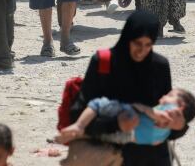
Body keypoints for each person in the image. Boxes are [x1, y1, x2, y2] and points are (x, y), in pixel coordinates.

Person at [72, 10, 187, 165]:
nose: (142, 51)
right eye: (137, 43)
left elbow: (166, 112)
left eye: (148, 45)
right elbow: (77, 114)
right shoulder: (103, 63)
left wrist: (178, 126)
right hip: (112, 156)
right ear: (127, 38)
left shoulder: (159, 67)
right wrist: (116, 124)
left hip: (154, 157)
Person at [58, 87, 195, 145]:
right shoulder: (154, 108)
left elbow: (181, 125)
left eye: (170, 96)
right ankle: (79, 125)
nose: (164, 97)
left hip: (123, 139)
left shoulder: (171, 129)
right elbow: (136, 105)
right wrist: (151, 112)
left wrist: (174, 119)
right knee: (101, 105)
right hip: (120, 117)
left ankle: (79, 131)